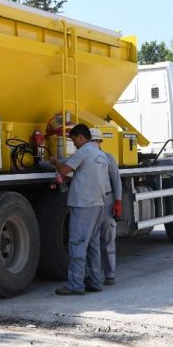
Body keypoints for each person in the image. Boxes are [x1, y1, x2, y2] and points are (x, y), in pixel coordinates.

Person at [49, 124, 108, 295]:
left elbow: (65, 172)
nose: (74, 144)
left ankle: (75, 284)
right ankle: (94, 281)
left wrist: (55, 163)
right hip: (98, 203)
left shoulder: (83, 152)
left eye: (74, 140)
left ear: (81, 137)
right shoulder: (100, 154)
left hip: (84, 204)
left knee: (77, 244)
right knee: (93, 244)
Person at [90, 128, 123, 286]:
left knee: (108, 237)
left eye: (96, 141)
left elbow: (117, 181)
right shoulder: (85, 158)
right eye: (91, 141)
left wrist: (118, 201)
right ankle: (95, 276)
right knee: (93, 240)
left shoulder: (108, 158)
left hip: (107, 200)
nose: (94, 144)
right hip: (91, 201)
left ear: (100, 142)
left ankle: (110, 274)